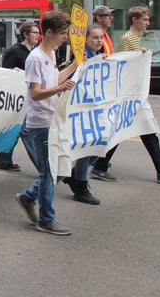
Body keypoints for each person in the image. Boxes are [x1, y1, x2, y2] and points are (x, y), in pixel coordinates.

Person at [95, 6, 160, 184]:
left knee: (146, 129)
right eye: (144, 19)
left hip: (135, 93)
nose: (147, 23)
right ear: (135, 20)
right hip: (130, 93)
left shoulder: (135, 39)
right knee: (126, 130)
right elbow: (123, 63)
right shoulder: (127, 38)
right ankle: (100, 165)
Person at [15, 11, 78, 236]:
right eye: (62, 33)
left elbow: (55, 79)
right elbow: (35, 93)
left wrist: (74, 67)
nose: (65, 37)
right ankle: (46, 219)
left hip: (53, 120)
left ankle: (28, 196)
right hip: (40, 123)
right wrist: (59, 89)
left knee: (59, 169)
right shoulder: (35, 58)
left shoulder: (51, 54)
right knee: (49, 172)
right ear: (48, 32)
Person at [60, 24, 104, 205]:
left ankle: (74, 174)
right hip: (80, 109)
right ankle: (80, 185)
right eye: (95, 38)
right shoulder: (82, 57)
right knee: (86, 148)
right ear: (85, 40)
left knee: (99, 145)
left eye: (101, 38)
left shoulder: (97, 56)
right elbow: (70, 80)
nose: (99, 41)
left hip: (93, 108)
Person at [0, 21, 41, 171]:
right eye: (34, 32)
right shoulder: (14, 51)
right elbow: (5, 73)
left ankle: (4, 160)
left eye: (38, 32)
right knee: (25, 132)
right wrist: (13, 71)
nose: (37, 35)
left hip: (30, 97)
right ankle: (43, 167)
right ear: (25, 34)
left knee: (14, 131)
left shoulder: (35, 51)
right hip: (17, 99)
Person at [89, 5, 118, 181]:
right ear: (99, 18)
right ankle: (97, 164)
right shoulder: (96, 38)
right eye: (108, 15)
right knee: (111, 128)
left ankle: (97, 161)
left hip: (106, 90)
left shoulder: (106, 37)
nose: (111, 18)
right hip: (98, 92)